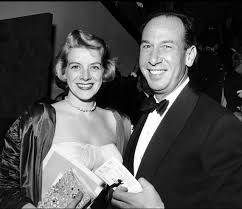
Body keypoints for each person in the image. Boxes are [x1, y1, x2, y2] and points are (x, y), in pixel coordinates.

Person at [111, 10, 242, 208]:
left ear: (189, 56)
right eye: (147, 46)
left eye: (166, 46)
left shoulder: (221, 126)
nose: (153, 59)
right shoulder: (146, 109)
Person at [0, 29, 131, 208]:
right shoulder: (38, 120)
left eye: (94, 66)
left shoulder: (119, 122)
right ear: (63, 70)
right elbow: (5, 183)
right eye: (76, 66)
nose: (85, 76)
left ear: (105, 71)